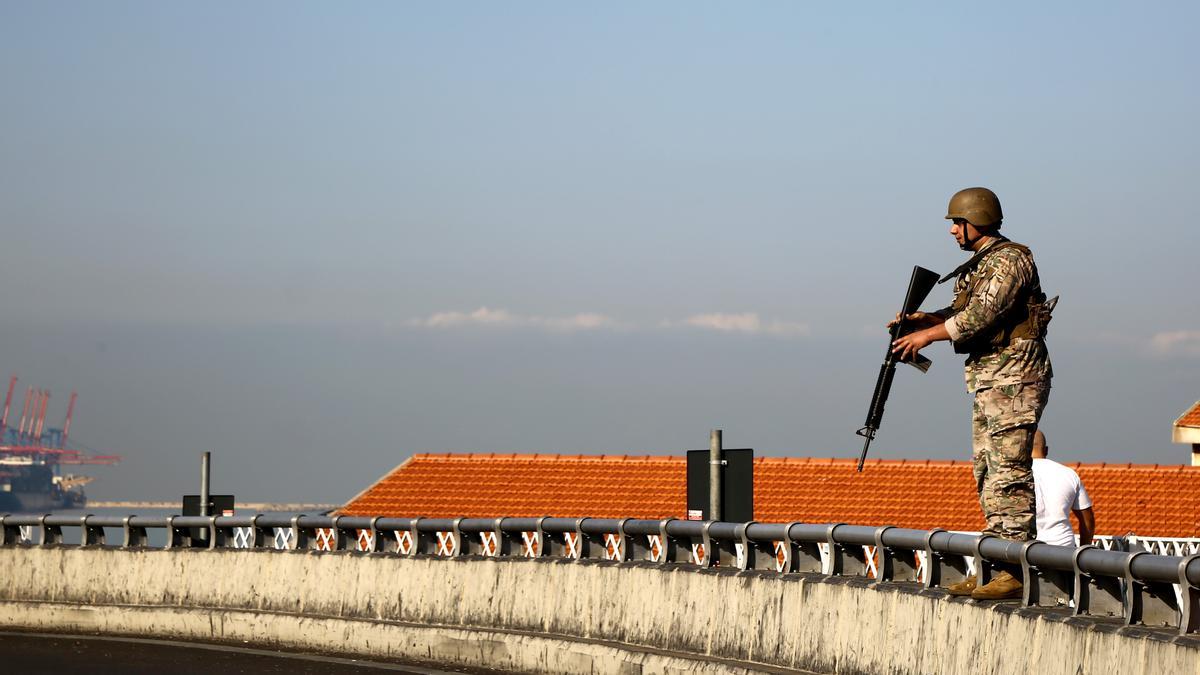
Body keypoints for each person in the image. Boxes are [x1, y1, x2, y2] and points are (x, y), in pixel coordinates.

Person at [890, 186, 1054, 600]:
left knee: (1009, 472)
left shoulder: (1010, 260)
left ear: (975, 220)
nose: (952, 232)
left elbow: (982, 316)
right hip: (991, 379)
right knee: (987, 470)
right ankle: (997, 565)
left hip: (1014, 378)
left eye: (956, 223)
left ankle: (1014, 571)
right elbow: (964, 312)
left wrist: (928, 335)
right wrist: (928, 318)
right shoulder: (980, 266)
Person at [1032, 430, 1094, 547]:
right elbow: (1088, 520)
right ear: (1046, 450)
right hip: (1063, 550)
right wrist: (1083, 551)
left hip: (1028, 550)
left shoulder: (1016, 476)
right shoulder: (1069, 474)